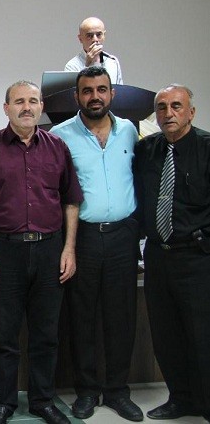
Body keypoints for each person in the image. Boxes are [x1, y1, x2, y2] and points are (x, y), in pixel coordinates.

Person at [0, 81, 82, 424]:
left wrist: (69, 248)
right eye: (19, 101)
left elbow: (71, 200)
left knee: (46, 335)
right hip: (4, 251)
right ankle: (3, 403)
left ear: (41, 106)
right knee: (3, 336)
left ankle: (42, 401)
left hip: (50, 250)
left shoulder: (57, 147)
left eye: (33, 101)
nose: (27, 107)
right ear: (6, 108)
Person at [50, 67, 143, 421]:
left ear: (112, 94)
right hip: (83, 237)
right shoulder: (60, 136)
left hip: (123, 236)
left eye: (101, 89)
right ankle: (87, 391)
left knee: (122, 317)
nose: (95, 97)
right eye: (87, 90)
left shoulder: (129, 130)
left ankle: (118, 391)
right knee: (82, 317)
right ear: (77, 96)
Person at [133, 84, 210, 422]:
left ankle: (206, 402)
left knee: (201, 335)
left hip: (197, 257)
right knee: (166, 335)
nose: (168, 113)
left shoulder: (206, 147)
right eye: (162, 107)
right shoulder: (146, 150)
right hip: (158, 256)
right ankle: (179, 398)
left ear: (191, 112)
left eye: (176, 106)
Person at [64, 17, 123, 85]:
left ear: (104, 36)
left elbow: (120, 90)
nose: (95, 39)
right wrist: (88, 65)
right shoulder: (72, 66)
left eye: (99, 35)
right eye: (89, 36)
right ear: (80, 39)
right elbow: (77, 91)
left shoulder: (112, 61)